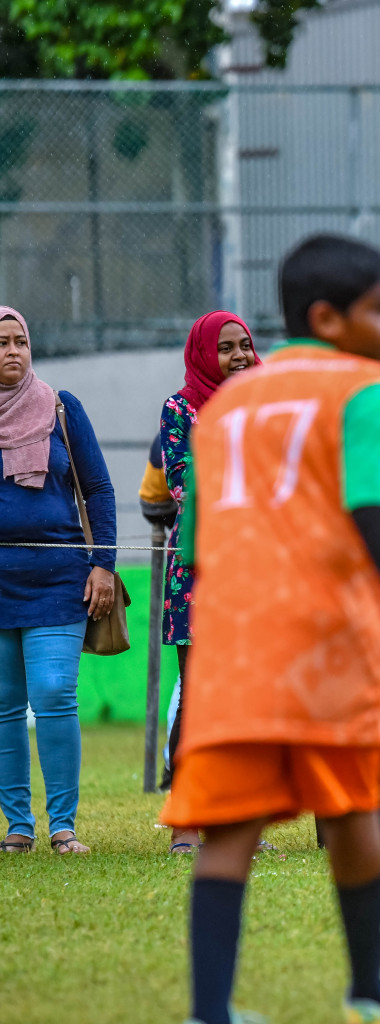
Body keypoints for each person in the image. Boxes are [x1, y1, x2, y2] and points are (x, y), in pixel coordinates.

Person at [160, 234, 380, 1024]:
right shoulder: (366, 391)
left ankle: (210, 1011)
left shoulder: (225, 409)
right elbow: (376, 514)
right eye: (378, 306)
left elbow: (199, 542)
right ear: (328, 317)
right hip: (329, 637)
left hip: (234, 641)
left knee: (230, 829)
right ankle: (364, 989)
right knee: (354, 810)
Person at [0, 306, 116, 856]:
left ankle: (62, 826)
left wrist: (103, 562)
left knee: (53, 692)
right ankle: (18, 827)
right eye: (1, 343)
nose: (12, 351)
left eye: (20, 340)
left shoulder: (63, 409)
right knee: (2, 704)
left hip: (58, 580)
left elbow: (99, 488)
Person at [158, 310, 260, 854]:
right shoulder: (180, 411)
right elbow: (183, 487)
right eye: (226, 348)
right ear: (203, 354)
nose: (240, 356)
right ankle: (187, 823)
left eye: (245, 344)